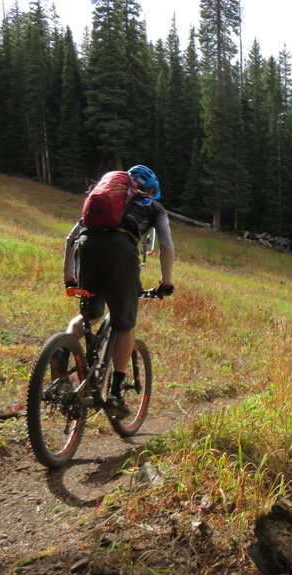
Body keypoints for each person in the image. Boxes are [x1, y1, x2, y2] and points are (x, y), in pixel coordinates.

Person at [62, 164, 175, 418]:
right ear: (150, 190)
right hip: (121, 252)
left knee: (90, 315)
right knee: (125, 325)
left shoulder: (104, 200)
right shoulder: (153, 207)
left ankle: (62, 349)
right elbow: (166, 243)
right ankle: (114, 394)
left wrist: (69, 276)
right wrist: (166, 281)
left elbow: (70, 239)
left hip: (87, 247)